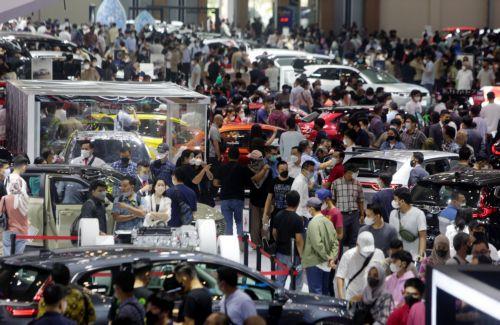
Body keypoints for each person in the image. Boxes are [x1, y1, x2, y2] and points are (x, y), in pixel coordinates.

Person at [302, 197, 338, 295]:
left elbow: (317, 244)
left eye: (308, 208)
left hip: (315, 262)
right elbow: (335, 242)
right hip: (327, 265)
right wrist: (331, 258)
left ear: (312, 209)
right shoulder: (328, 222)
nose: (307, 210)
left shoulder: (313, 223)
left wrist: (327, 258)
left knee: (315, 294)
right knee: (324, 291)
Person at [336, 232, 385, 301]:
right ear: (357, 244)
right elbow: (340, 277)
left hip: (371, 297)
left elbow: (382, 275)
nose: (367, 253)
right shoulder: (348, 255)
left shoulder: (379, 254)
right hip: (352, 296)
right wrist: (341, 298)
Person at [272, 191, 305, 289]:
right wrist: (302, 256)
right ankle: (293, 299)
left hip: (280, 253)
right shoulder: (298, 219)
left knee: (280, 279)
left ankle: (278, 299)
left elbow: (274, 232)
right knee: (297, 280)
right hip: (294, 255)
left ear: (286, 201)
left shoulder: (278, 215)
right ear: (298, 203)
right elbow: (299, 240)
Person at [389, 187, 427, 260]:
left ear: (402, 201)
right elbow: (392, 236)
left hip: (414, 256)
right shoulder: (393, 214)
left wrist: (421, 255)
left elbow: (423, 237)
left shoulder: (419, 214)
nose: (393, 201)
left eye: (395, 199)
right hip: (398, 257)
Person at [2, 155, 29, 256]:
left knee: (7, 249)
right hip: (17, 222)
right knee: (19, 251)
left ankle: (5, 270)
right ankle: (16, 270)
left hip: (7, 220)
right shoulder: (19, 181)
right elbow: (17, 202)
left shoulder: (6, 179)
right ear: (23, 166)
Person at [332, 165, 365, 248]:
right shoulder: (336, 183)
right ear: (345, 173)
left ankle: (352, 259)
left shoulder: (357, 184)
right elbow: (333, 200)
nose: (351, 175)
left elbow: (360, 200)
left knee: (354, 238)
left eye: (353, 173)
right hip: (341, 215)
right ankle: (338, 259)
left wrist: (361, 214)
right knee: (340, 238)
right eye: (350, 173)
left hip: (354, 214)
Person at [264, 160, 294, 232]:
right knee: (274, 232)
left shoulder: (293, 181)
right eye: (282, 169)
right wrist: (265, 213)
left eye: (286, 169)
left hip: (289, 212)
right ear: (277, 170)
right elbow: (269, 198)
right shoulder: (274, 181)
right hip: (276, 212)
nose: (285, 171)